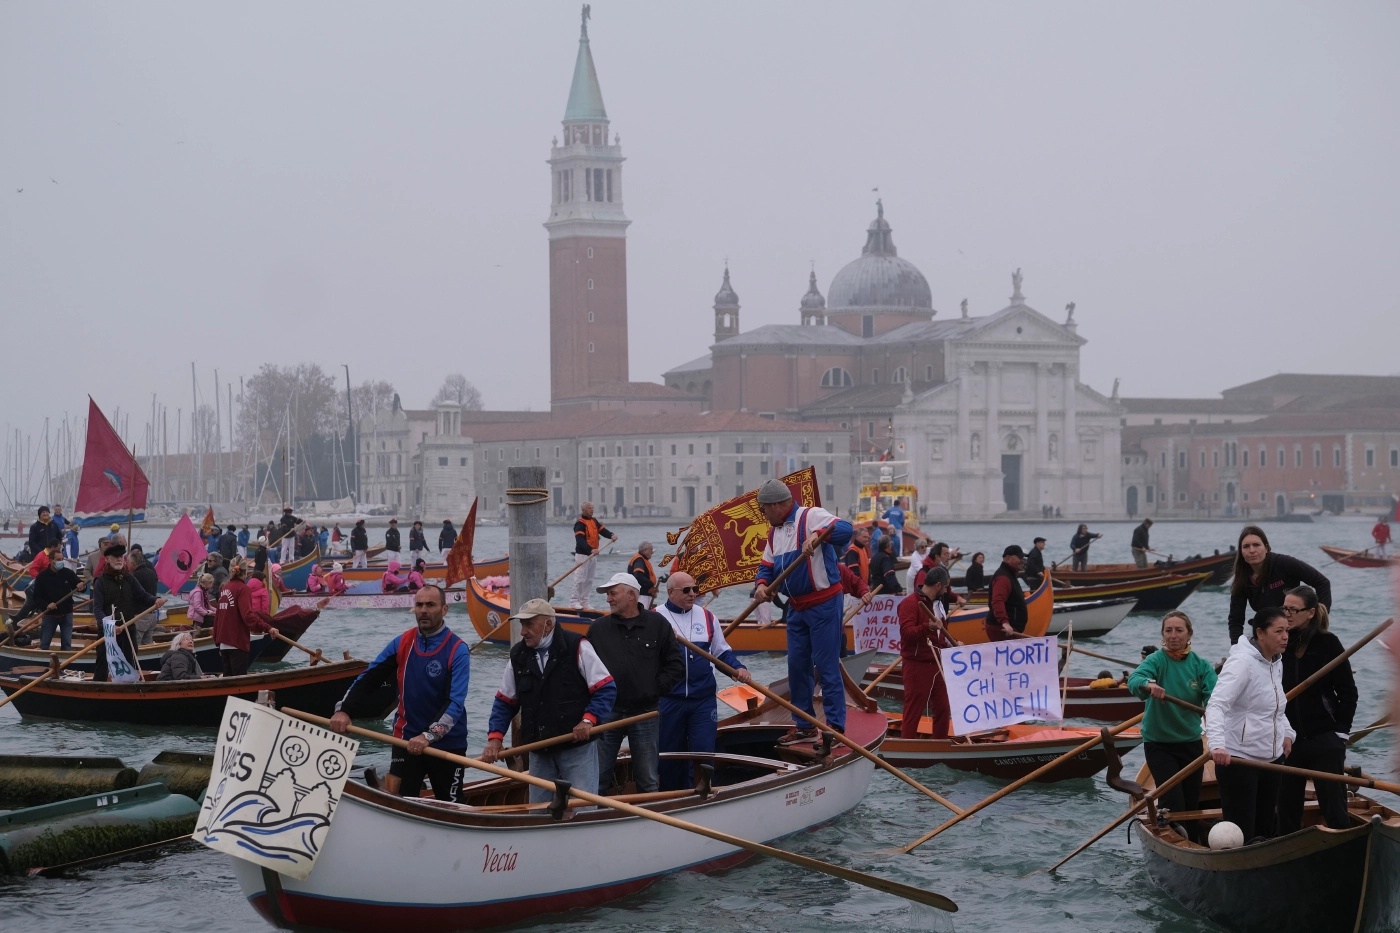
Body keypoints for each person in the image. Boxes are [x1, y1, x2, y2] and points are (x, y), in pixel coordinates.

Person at [331, 585, 471, 802]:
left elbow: (455, 703)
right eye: (419, 604)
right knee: (401, 804)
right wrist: (344, 710)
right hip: (405, 740)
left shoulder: (458, 650)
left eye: (430, 605)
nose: (423, 610)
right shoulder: (402, 643)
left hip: (447, 744)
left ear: (445, 610)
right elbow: (369, 679)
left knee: (451, 808)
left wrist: (428, 736)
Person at [483, 598, 617, 800]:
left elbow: (606, 688)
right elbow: (504, 702)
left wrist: (588, 720)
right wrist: (495, 739)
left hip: (576, 748)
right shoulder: (518, 656)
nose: (522, 632)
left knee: (582, 807)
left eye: (529, 624)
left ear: (548, 624)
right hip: (539, 749)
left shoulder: (577, 646)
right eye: (522, 625)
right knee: (538, 810)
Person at [753, 478, 854, 743]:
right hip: (796, 608)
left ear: (775, 505)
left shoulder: (810, 516)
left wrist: (818, 535)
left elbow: (845, 529)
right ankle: (805, 726)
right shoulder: (774, 534)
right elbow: (766, 567)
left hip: (823, 604)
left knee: (826, 665)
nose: (763, 515)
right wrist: (762, 586)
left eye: (763, 510)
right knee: (797, 667)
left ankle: (835, 728)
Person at [587, 572, 685, 793]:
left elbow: (675, 665)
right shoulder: (598, 629)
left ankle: (651, 823)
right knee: (598, 777)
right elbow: (584, 670)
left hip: (645, 712)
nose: (608, 599)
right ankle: (593, 820)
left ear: (631, 595)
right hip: (607, 712)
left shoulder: (658, 625)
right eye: (608, 595)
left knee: (648, 778)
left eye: (613, 594)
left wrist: (654, 690)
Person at [654, 572, 751, 791]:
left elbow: (721, 653)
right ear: (670, 592)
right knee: (669, 756)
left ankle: (703, 795)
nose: (693, 594)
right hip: (669, 700)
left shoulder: (707, 617)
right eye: (686, 590)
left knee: (704, 752)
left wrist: (738, 668)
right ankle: (671, 798)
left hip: (702, 700)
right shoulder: (655, 619)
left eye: (695, 590)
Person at [1127, 611, 1217, 843]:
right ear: (1162, 635)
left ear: (1189, 635)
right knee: (1172, 803)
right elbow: (1135, 680)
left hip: (1191, 743)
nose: (1173, 636)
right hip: (1160, 744)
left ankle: (1194, 843)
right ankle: (1175, 841)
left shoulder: (1201, 666)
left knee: (1191, 802)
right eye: (1168, 630)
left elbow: (1215, 700)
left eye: (1179, 630)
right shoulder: (1156, 660)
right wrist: (1148, 684)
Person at [1206, 607, 1295, 843]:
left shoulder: (1276, 662)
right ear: (1260, 633)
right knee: (1240, 834)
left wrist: (1288, 733)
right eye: (1279, 631)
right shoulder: (1241, 662)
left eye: (1287, 630)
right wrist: (1217, 746)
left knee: (1264, 831)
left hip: (1272, 759)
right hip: (1239, 759)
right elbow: (1216, 705)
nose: (1286, 636)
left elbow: (1276, 708)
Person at [1278, 585, 1357, 833]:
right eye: (1284, 608)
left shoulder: (1328, 643)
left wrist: (1341, 733)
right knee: (1286, 809)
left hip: (1324, 737)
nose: (1287, 614)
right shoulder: (1279, 643)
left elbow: (1348, 692)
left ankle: (1345, 848)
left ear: (1310, 612)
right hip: (1287, 738)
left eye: (1293, 609)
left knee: (1335, 808)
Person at [1228, 525, 1331, 644]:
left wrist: (1317, 623)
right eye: (1246, 546)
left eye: (1256, 545)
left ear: (1266, 548)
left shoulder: (1283, 563)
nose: (1252, 550)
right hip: (1269, 636)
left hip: (1297, 632)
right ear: (1241, 552)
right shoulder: (1242, 578)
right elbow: (1236, 619)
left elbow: (1322, 582)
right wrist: (1236, 649)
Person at [897, 566, 960, 738]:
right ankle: (906, 749)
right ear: (938, 585)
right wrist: (928, 627)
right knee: (914, 710)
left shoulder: (939, 605)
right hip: (916, 665)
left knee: (943, 708)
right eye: (946, 587)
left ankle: (940, 745)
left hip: (937, 665)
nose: (947, 591)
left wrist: (953, 643)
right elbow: (907, 634)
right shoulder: (909, 604)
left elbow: (942, 634)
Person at [91, 543, 165, 681]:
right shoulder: (100, 582)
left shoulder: (129, 578)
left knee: (129, 660)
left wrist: (155, 600)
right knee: (102, 662)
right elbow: (97, 609)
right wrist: (109, 626)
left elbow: (142, 596)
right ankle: (98, 686)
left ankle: (127, 686)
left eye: (121, 556)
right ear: (107, 559)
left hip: (128, 627)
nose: (119, 559)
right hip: (109, 629)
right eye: (115, 557)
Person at [212, 562, 276, 677]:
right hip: (237, 642)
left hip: (223, 643)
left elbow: (218, 616)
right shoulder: (243, 589)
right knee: (238, 681)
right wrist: (267, 628)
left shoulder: (225, 588)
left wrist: (217, 640)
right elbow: (248, 616)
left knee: (228, 680)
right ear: (245, 573)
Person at [30, 540, 80, 651]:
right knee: (44, 644)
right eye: (58, 560)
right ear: (51, 560)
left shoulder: (68, 573)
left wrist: (82, 586)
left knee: (67, 645)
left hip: (67, 614)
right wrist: (47, 605)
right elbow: (36, 597)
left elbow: (79, 585)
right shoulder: (42, 577)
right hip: (49, 616)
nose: (61, 561)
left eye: (62, 559)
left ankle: (66, 665)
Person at [570, 502, 616, 610]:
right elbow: (580, 540)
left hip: (593, 555)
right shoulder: (580, 524)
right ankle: (574, 601)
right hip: (583, 555)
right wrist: (590, 549)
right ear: (584, 510)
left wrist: (611, 535)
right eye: (589, 508)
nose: (592, 510)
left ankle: (584, 601)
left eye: (592, 508)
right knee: (580, 578)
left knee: (589, 579)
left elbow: (602, 530)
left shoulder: (594, 521)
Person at [986, 545, 1028, 641]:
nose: (1023, 560)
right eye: (1019, 557)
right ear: (1009, 558)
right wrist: (1004, 622)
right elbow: (997, 600)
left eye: (1023, 558)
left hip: (1010, 629)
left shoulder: (1010, 575)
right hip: (1002, 629)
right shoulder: (1003, 578)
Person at [628, 541, 658, 608]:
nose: (652, 552)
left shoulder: (641, 559)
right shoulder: (639, 559)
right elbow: (638, 576)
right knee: (643, 614)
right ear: (645, 550)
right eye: (651, 550)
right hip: (641, 595)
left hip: (643, 594)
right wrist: (651, 584)